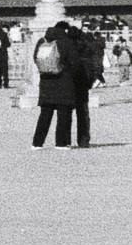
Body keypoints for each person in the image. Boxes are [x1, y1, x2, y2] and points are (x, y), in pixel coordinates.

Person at [31, 18, 98, 148]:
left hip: (46, 83)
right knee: (63, 114)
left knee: (45, 114)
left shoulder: (42, 41)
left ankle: (37, 143)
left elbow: (36, 59)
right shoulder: (66, 43)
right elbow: (76, 64)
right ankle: (61, 143)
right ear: (65, 30)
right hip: (64, 83)